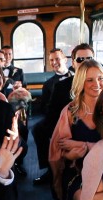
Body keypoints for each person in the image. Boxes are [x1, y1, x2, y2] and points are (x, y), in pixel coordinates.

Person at [49, 60, 103, 200]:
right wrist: (69, 156)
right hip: (78, 171)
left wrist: (84, 145)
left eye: (100, 78)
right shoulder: (70, 112)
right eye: (89, 80)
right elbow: (58, 150)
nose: (97, 83)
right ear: (81, 82)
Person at [33, 43, 95, 186]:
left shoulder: (102, 85)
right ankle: (53, 171)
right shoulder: (61, 87)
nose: (85, 62)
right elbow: (51, 114)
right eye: (80, 60)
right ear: (73, 62)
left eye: (89, 58)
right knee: (40, 130)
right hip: (66, 127)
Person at [32, 48, 73, 185]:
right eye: (51, 60)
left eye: (57, 59)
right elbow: (44, 107)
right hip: (56, 118)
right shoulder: (49, 84)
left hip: (75, 116)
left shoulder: (77, 76)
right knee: (38, 130)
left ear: (65, 60)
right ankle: (49, 168)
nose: (54, 62)